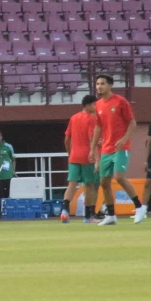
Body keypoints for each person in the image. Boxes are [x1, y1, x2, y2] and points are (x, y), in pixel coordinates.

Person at [89, 74, 147, 225]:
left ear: (110, 85)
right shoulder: (99, 105)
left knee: (119, 177)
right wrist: (93, 148)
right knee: (104, 182)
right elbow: (98, 126)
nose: (99, 87)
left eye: (102, 84)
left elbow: (132, 122)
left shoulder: (120, 101)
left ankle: (139, 207)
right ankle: (111, 215)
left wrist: (124, 138)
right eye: (97, 84)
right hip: (106, 149)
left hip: (121, 148)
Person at [60, 95, 99, 224]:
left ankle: (65, 210)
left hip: (74, 156)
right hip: (87, 156)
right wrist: (95, 153)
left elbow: (66, 139)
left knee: (71, 184)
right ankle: (88, 217)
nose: (96, 107)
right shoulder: (91, 119)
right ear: (88, 105)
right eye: (95, 104)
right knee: (89, 186)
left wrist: (69, 153)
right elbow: (91, 138)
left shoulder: (73, 118)